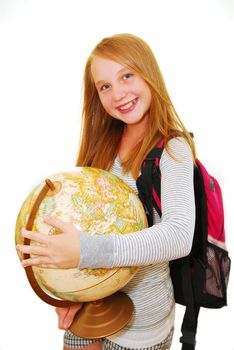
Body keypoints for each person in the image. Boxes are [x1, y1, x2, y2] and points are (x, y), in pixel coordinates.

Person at [17, 33, 196, 350]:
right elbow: (85, 222)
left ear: (148, 73)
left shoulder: (173, 149)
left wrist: (86, 251)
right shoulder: (103, 144)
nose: (118, 93)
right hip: (92, 303)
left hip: (142, 323)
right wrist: (65, 292)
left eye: (127, 75)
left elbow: (179, 235)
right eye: (105, 86)